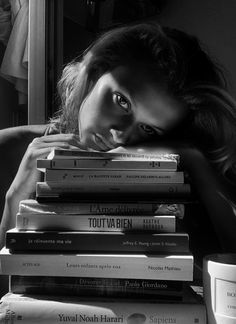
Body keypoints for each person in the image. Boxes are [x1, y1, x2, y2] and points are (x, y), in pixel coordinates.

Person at [0, 22, 236, 251]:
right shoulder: (8, 148)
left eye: (148, 129)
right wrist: (15, 199)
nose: (121, 136)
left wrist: (195, 159)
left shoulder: (173, 181)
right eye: (122, 102)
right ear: (95, 72)